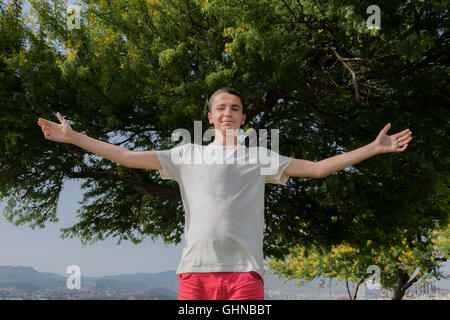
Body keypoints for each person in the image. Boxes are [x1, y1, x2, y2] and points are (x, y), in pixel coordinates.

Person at [37, 87, 413, 300]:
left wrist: (373, 148)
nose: (228, 112)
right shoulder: (186, 154)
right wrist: (73, 137)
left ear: (244, 118)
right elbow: (125, 156)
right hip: (194, 274)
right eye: (221, 107)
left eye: (236, 108)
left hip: (244, 275)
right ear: (211, 116)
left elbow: (315, 169)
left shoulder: (260, 157)